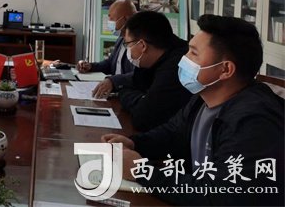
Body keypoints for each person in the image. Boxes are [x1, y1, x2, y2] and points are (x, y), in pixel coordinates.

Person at [103, 15, 284, 206]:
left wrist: (141, 171)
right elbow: (173, 132)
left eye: (193, 53)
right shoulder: (204, 97)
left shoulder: (254, 122)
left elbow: (218, 194)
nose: (183, 59)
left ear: (225, 69)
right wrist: (134, 143)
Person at [117, 10, 192, 131]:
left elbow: (143, 118)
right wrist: (141, 98)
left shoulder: (177, 66)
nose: (128, 50)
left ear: (142, 45)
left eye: (128, 45)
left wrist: (126, 94)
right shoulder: (157, 57)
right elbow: (136, 84)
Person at [77, 0, 137, 98]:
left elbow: (140, 75)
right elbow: (110, 63)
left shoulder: (139, 43)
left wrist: (113, 81)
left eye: (111, 18)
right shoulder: (121, 38)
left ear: (125, 19)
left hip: (128, 97)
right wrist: (91, 66)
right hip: (114, 95)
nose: (109, 22)